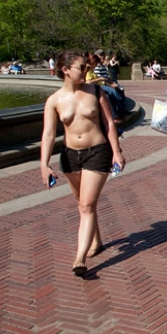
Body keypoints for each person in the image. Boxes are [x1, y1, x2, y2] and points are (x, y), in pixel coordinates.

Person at [40, 50, 125, 277]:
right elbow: (48, 135)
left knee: (87, 205)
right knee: (82, 203)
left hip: (97, 152)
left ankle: (79, 258)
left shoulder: (96, 91)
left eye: (87, 67)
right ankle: (95, 240)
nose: (86, 71)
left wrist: (116, 151)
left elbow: (108, 123)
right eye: (82, 68)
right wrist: (44, 164)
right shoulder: (54, 100)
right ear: (65, 70)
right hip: (70, 156)